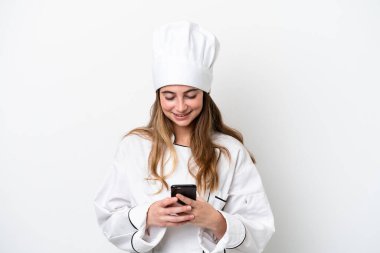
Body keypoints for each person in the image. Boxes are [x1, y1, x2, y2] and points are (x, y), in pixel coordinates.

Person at [94, 20, 275, 253]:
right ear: (158, 97)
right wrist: (148, 215)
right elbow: (108, 219)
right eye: (169, 96)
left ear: (205, 95)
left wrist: (217, 221)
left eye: (190, 95)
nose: (180, 107)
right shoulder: (134, 147)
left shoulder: (230, 151)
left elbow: (259, 228)